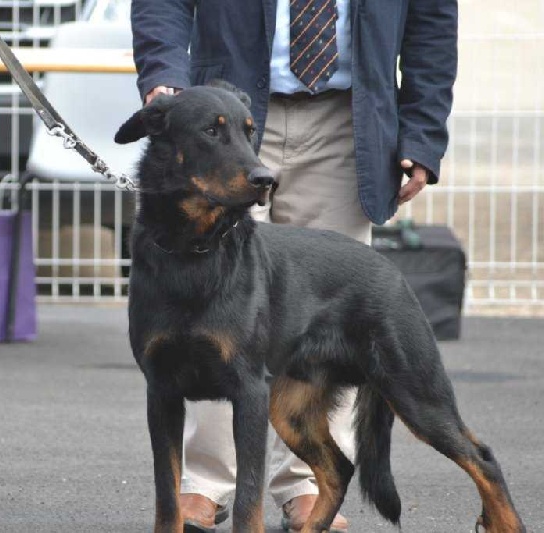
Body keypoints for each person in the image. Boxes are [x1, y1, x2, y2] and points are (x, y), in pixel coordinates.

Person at [129, 0, 457, 531]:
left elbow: (432, 21)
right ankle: (204, 484)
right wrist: (166, 79)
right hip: (223, 115)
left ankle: (305, 484)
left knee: (311, 323)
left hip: (348, 117)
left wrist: (421, 131)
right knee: (206, 304)